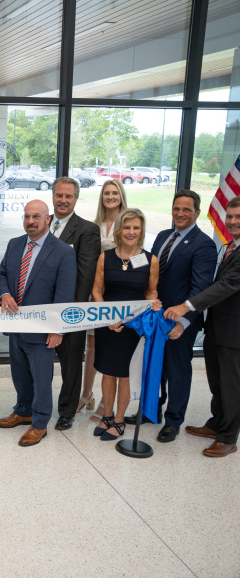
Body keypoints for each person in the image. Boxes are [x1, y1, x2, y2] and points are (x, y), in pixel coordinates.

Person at [134, 190, 215, 442]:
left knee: (177, 371)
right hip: (156, 316)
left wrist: (183, 320)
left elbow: (200, 289)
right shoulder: (162, 236)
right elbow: (150, 268)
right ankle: (151, 411)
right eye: (176, 208)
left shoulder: (204, 245)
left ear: (197, 213)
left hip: (181, 320)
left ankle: (173, 421)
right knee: (154, 367)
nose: (180, 213)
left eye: (186, 210)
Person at [0, 200, 76, 446]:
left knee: (42, 378)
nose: (30, 221)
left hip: (42, 330)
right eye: (27, 216)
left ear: (47, 219)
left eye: (36, 217)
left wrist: (57, 329)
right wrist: (4, 294)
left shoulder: (63, 251)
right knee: (19, 374)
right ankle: (23, 410)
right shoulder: (15, 244)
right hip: (15, 325)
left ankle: (39, 423)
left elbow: (64, 294)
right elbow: (3, 275)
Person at [165, 196, 240, 457]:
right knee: (217, 383)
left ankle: (228, 438)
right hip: (217, 327)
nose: (232, 222)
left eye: (237, 217)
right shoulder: (231, 246)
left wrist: (186, 307)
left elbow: (224, 286)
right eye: (229, 216)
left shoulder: (216, 247)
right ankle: (216, 424)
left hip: (234, 333)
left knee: (231, 386)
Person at [91, 209, 161, 441]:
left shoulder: (150, 260)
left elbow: (151, 291)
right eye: (127, 227)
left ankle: (119, 420)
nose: (131, 232)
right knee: (108, 372)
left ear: (141, 231)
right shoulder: (106, 257)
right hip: (108, 325)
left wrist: (155, 303)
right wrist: (108, 318)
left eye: (136, 228)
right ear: (119, 230)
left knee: (125, 374)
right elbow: (96, 291)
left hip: (133, 327)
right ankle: (107, 416)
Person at [48, 177, 101, 430]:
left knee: (70, 365)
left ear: (76, 199)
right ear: (53, 196)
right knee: (40, 362)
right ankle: (37, 406)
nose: (63, 200)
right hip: (40, 311)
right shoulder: (42, 223)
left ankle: (67, 411)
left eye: (68, 196)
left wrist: (68, 314)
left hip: (70, 312)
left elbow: (85, 276)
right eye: (59, 195)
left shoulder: (87, 230)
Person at [82, 179, 128, 421]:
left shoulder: (129, 223)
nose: (110, 196)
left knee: (110, 346)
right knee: (91, 346)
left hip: (119, 294)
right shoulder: (93, 225)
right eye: (106, 193)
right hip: (95, 293)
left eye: (115, 192)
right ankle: (86, 394)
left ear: (121, 195)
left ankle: (104, 400)